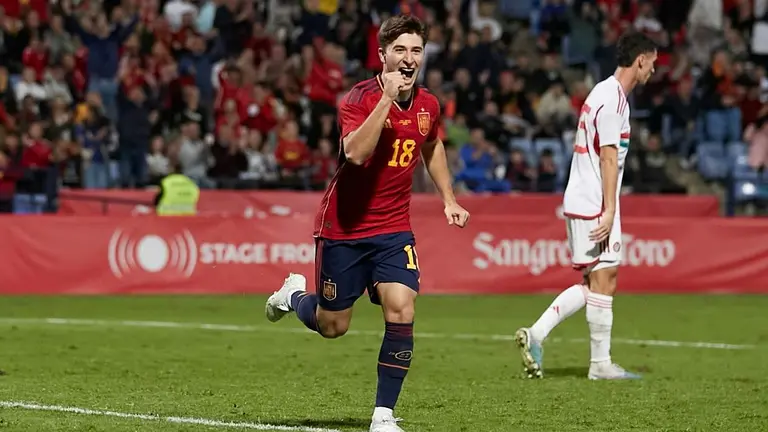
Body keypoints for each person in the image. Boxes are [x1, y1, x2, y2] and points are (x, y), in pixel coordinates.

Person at [264, 14, 469, 432]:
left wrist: (449, 197)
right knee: (332, 326)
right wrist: (385, 101)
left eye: (416, 50)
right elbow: (355, 154)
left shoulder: (429, 104)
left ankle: (383, 415)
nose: (409, 58)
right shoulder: (358, 99)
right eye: (400, 50)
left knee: (402, 308)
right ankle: (293, 296)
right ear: (383, 56)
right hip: (344, 230)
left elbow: (432, 146)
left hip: (393, 231)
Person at [515, 31, 658, 380]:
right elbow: (609, 158)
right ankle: (593, 361)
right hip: (595, 200)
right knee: (603, 278)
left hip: (585, 196)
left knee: (600, 279)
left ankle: (556, 343)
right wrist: (609, 210)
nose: (653, 71)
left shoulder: (603, 92)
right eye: (652, 63)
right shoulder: (614, 101)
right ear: (640, 60)